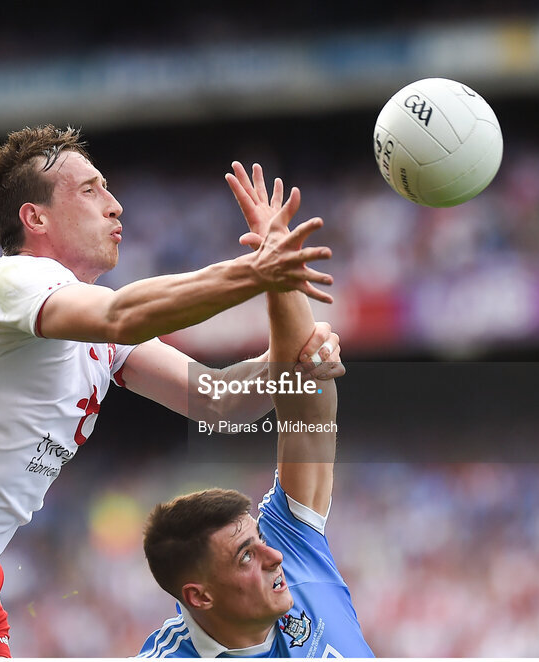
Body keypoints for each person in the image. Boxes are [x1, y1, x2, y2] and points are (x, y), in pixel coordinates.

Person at [0, 125, 344, 658]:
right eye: (91, 188)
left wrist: (297, 363)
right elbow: (123, 314)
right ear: (36, 217)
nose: (115, 204)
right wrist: (255, 270)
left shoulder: (100, 334)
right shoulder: (12, 281)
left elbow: (219, 399)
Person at [138, 167, 373, 657]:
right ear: (199, 596)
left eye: (257, 540)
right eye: (247, 555)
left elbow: (306, 405)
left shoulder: (292, 545)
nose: (274, 556)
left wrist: (278, 265)